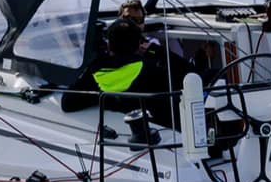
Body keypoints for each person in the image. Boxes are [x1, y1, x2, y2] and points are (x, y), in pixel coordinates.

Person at [61, 17, 200, 126]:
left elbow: (67, 104)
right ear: (139, 44)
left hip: (122, 131)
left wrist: (95, 61)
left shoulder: (95, 73)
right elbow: (193, 76)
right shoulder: (154, 70)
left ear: (109, 45)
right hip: (159, 133)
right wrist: (157, 51)